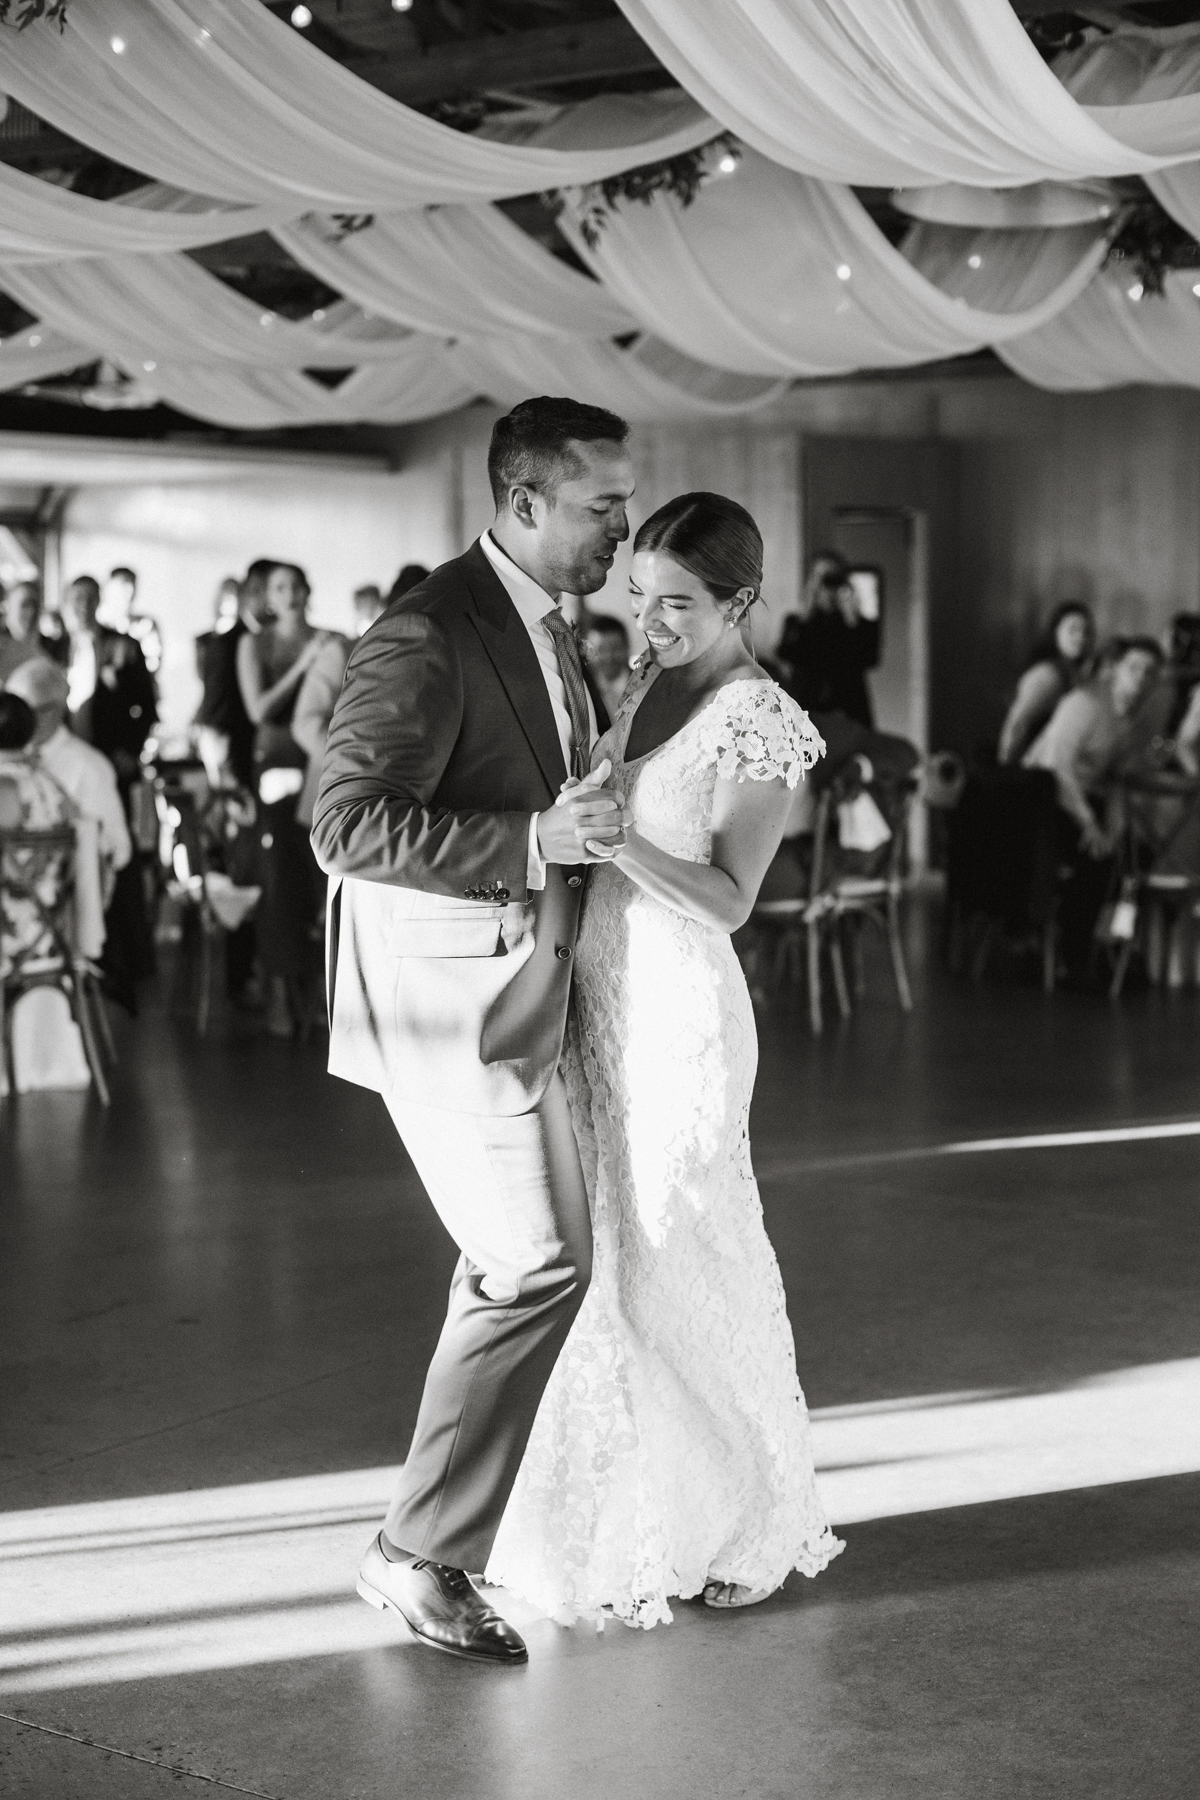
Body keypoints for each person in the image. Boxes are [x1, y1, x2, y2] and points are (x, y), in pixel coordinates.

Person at [313, 395, 634, 1666]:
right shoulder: (431, 631)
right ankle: (417, 1555)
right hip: (445, 1000)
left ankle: (433, 1537)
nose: (620, 523)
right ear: (523, 504)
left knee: (524, 1257)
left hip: (520, 989)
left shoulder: (554, 626)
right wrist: (535, 843)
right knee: (541, 1260)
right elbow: (345, 823)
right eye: (601, 504)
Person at [484, 493, 843, 1625]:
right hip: (597, 991)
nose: (650, 621)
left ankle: (754, 1519)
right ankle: (648, 1521)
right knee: (617, 1264)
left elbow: (732, 900)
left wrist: (617, 833)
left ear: (740, 602)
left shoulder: (761, 719)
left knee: (695, 1250)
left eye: (678, 603)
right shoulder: (636, 688)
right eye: (639, 595)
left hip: (682, 1009)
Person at [1024, 637, 1162, 979]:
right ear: (1115, 671)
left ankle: (1114, 943)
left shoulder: (1133, 723)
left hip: (1088, 799)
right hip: (1042, 798)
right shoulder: (1084, 704)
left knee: (1136, 858)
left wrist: (1115, 829)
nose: (1140, 679)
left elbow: (1117, 780)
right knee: (1094, 858)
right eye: (1134, 668)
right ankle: (1072, 955)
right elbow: (1058, 769)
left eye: (1149, 672)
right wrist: (1089, 825)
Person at [238, 561, 329, 1038]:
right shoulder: (255, 644)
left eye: (296, 585)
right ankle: (277, 992)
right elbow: (259, 709)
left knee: (318, 881)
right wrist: (302, 665)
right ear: (267, 596)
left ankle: (315, 997)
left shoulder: (331, 640)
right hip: (275, 767)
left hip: (321, 768)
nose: (290, 594)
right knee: (279, 884)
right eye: (280, 587)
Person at [5, 658, 131, 902]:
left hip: (63, 908)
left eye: (33, 711)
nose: (20, 721)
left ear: (58, 709)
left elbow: (118, 850)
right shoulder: (8, 768)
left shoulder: (88, 766)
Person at [61, 575, 157, 787]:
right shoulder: (56, 649)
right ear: (68, 603)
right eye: (78, 599)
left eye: (91, 599)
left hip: (111, 754)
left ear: (99, 601)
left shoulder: (123, 645)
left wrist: (132, 750)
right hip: (64, 755)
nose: (85, 605)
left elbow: (147, 703)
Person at [779, 552, 880, 727]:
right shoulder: (798, 621)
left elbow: (870, 658)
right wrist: (806, 612)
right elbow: (786, 654)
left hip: (850, 711)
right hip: (806, 709)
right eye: (821, 576)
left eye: (833, 576)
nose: (827, 583)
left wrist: (851, 618)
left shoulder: (859, 623)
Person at [196, 564, 272, 792]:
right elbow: (219, 692)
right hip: (226, 732)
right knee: (234, 796)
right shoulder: (229, 641)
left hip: (224, 731)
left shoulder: (235, 637)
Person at [998, 602, 1095, 766]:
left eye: (1086, 632)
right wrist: (1008, 771)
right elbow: (1017, 724)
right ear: (1055, 632)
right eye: (1072, 630)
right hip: (1031, 769)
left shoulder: (1073, 674)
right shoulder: (1048, 674)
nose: (1080, 637)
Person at [101, 565, 162, 677]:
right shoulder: (101, 626)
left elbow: (153, 663)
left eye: (132, 584)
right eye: (123, 584)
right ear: (109, 588)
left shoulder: (146, 625)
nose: (129, 590)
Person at [0, 582, 64, 683]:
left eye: (35, 605)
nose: (31, 611)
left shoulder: (54, 649)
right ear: (7, 607)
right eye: (25, 605)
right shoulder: (2, 648)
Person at [581, 612, 632, 723]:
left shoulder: (648, 685)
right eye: (601, 650)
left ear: (627, 647)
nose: (609, 657)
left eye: (616, 648)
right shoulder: (582, 690)